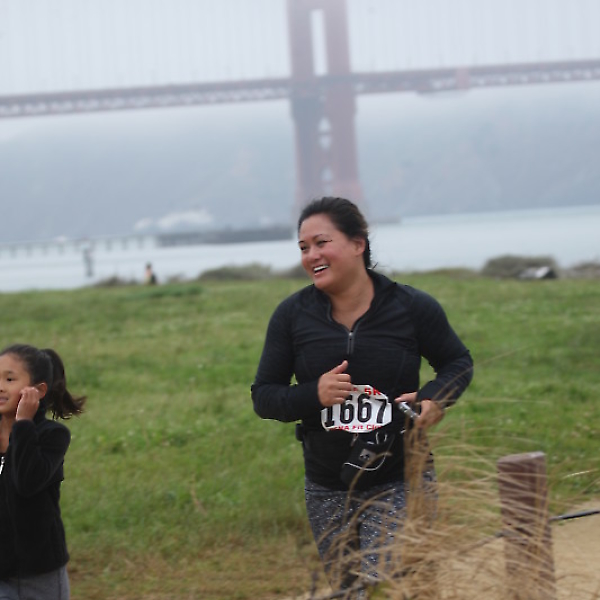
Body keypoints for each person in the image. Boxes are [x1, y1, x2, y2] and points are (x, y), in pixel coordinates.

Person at [251, 197, 473, 595]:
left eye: (322, 243)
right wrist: (314, 394)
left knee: (386, 586)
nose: (311, 255)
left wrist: (435, 398)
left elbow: (457, 361)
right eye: (303, 247)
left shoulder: (411, 307)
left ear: (358, 244)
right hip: (326, 485)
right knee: (349, 592)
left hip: (401, 477)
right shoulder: (291, 316)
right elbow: (264, 396)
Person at [0, 344, 86, 600]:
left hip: (39, 573)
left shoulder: (52, 435)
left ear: (38, 391)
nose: (0, 386)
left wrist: (23, 424)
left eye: (9, 379)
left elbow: (27, 482)